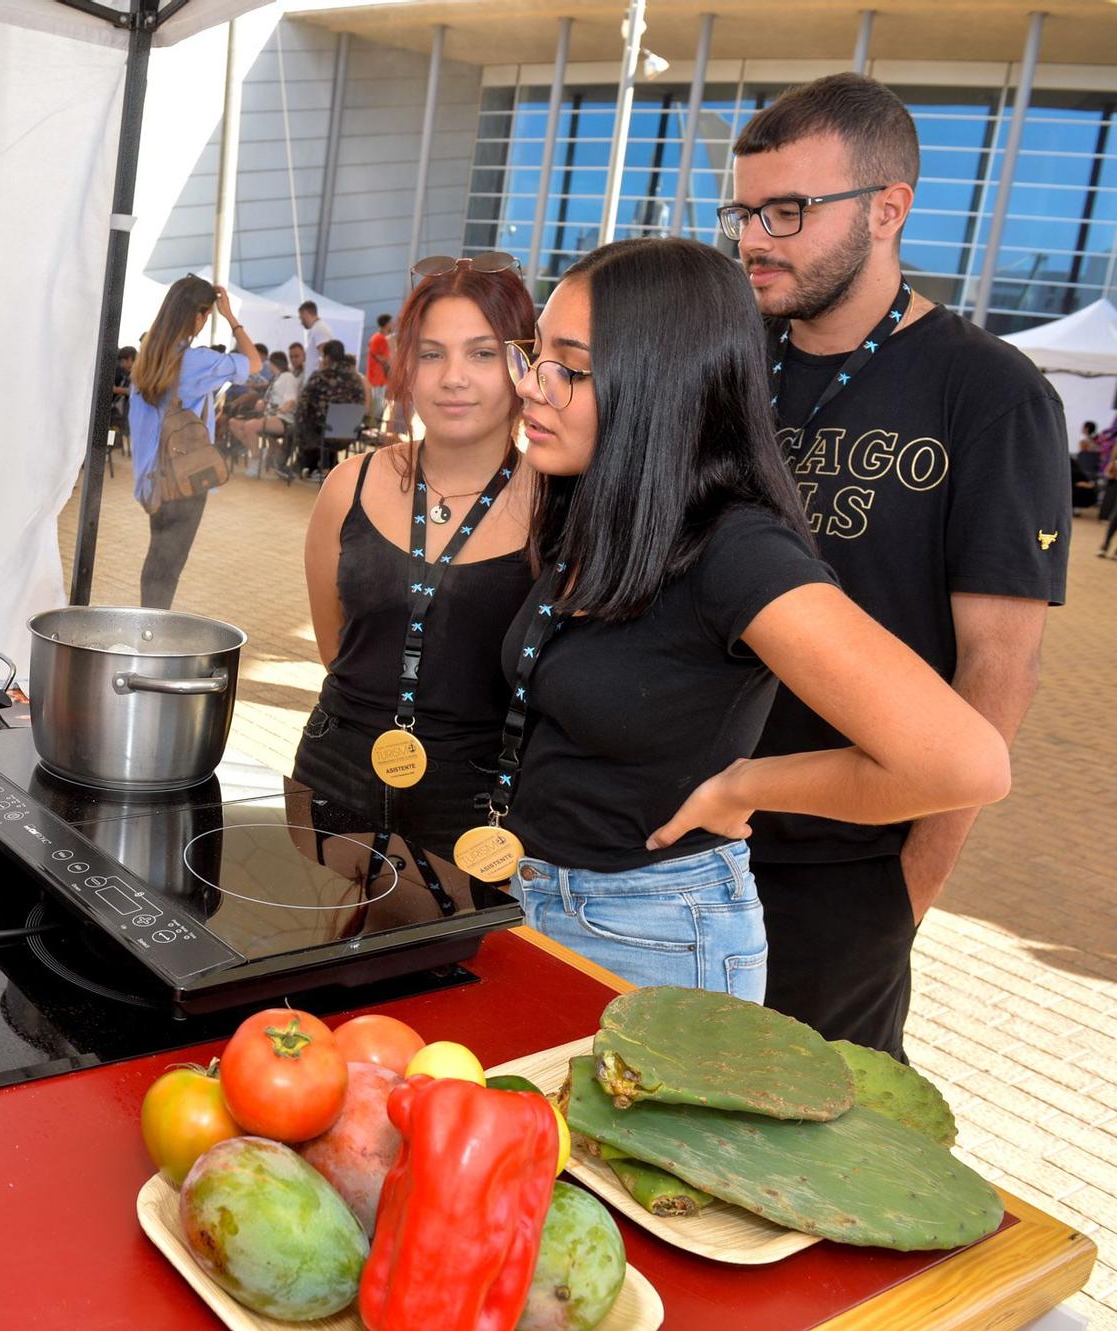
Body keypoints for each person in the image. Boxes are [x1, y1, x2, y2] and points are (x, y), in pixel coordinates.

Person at [499, 237, 1009, 1001]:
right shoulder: (598, 507)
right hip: (538, 900)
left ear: (660, 384)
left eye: (568, 368)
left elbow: (966, 762)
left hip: (653, 936)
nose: (533, 388)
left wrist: (743, 787)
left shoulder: (735, 549)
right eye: (533, 355)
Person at [729, 74, 1068, 1058]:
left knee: (798, 1164)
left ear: (886, 209)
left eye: (787, 211)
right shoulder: (722, 361)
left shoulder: (989, 394)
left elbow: (999, 666)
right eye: (745, 210)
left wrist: (905, 892)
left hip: (843, 870)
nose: (755, 238)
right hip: (676, 837)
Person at [296, 263, 538, 871]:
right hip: (334, 773)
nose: (453, 378)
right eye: (432, 355)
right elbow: (337, 647)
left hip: (482, 804)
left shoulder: (561, 510)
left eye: (482, 353)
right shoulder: (348, 486)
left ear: (523, 364)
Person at [129, 275, 262, 608]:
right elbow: (254, 363)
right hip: (186, 478)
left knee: (157, 560)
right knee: (167, 568)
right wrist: (232, 318)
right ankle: (152, 635)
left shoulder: (148, 355)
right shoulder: (196, 361)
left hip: (151, 478)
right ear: (199, 316)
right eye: (206, 315)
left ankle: (150, 626)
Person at [290, 341, 369, 478]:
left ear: (326, 357)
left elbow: (302, 405)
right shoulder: (357, 379)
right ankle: (325, 464)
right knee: (322, 425)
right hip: (349, 434)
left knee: (300, 425)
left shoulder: (320, 376)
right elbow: (361, 405)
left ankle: (306, 463)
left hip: (323, 434)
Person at [299, 300, 337, 382]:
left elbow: (325, 357)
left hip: (317, 383)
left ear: (305, 313)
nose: (301, 322)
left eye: (301, 317)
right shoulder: (315, 329)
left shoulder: (319, 329)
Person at [366, 312, 394, 419]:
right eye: (391, 322)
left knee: (379, 403)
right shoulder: (379, 338)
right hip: (376, 378)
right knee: (377, 404)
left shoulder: (381, 338)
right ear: (386, 324)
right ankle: (372, 426)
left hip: (380, 378)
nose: (393, 325)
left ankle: (374, 425)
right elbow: (378, 356)